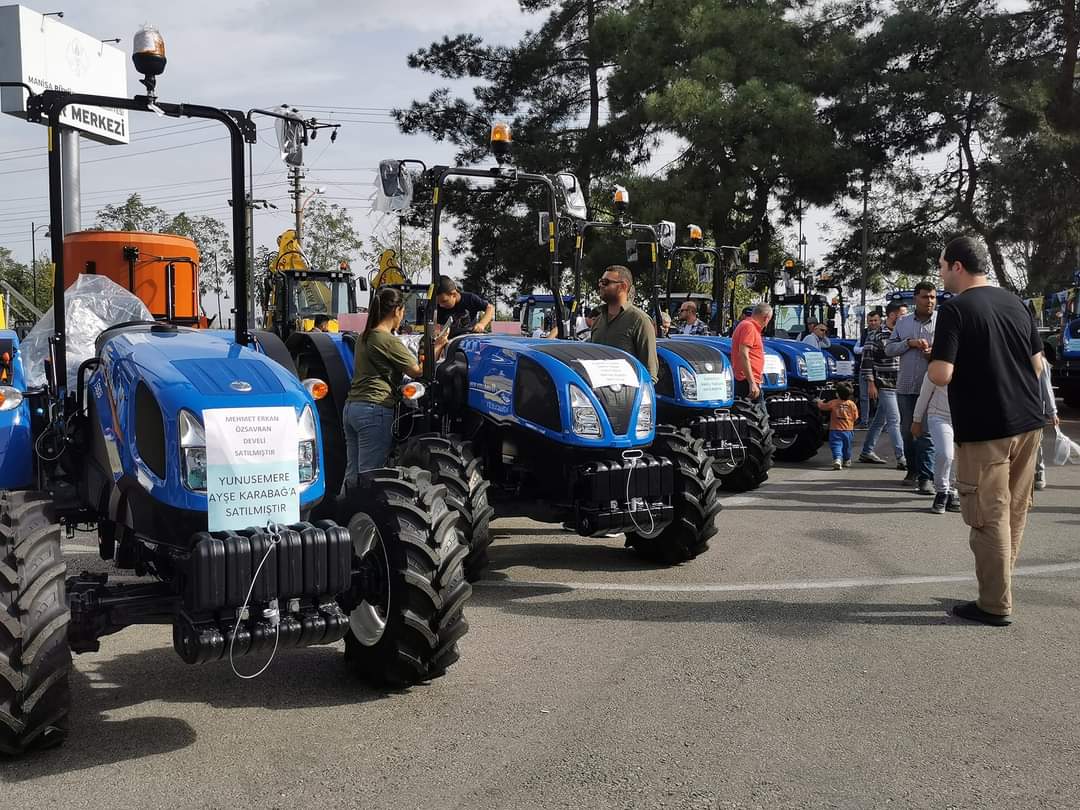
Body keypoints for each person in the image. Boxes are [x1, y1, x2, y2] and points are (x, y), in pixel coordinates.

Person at [929, 235, 1046, 626]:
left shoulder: (955, 310)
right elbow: (1038, 365)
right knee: (1013, 510)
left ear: (957, 267)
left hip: (985, 427)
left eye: (943, 266)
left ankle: (994, 604)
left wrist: (935, 355)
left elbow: (941, 374)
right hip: (1029, 421)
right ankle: (999, 588)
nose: (941, 273)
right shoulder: (1014, 302)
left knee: (986, 516)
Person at [343, 287, 448, 487]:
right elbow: (417, 371)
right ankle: (368, 516)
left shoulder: (364, 336)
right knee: (371, 475)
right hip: (374, 410)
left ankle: (347, 513)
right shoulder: (387, 340)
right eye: (402, 312)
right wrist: (439, 345)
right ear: (396, 311)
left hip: (352, 408)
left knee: (353, 472)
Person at [887, 281, 938, 494]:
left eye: (933, 297)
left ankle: (927, 476)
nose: (930, 301)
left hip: (933, 387)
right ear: (916, 298)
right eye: (926, 297)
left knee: (925, 433)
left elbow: (955, 348)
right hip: (907, 386)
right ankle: (912, 470)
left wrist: (933, 353)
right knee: (908, 431)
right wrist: (909, 343)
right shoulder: (904, 323)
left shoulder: (944, 321)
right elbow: (889, 349)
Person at [858, 302, 908, 468]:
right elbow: (866, 360)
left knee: (880, 419)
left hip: (901, 383)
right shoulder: (876, 335)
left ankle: (866, 451)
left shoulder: (904, 333)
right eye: (903, 314)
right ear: (893, 315)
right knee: (895, 420)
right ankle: (902, 457)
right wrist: (871, 383)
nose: (906, 318)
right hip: (884, 383)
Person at [590, 265, 659, 381]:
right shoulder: (598, 321)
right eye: (600, 281)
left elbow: (650, 373)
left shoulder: (640, 320)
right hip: (598, 394)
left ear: (623, 286)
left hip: (628, 396)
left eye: (605, 282)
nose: (600, 285)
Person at [910, 372, 959, 515]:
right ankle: (942, 492)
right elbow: (924, 395)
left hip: (964, 418)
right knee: (945, 454)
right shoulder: (937, 368)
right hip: (939, 416)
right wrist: (917, 420)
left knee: (958, 456)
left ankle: (952, 491)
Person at [731, 303, 773, 402]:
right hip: (746, 380)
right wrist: (752, 382)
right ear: (766, 318)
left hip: (747, 379)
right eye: (769, 320)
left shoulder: (746, 325)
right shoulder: (749, 327)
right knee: (760, 415)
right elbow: (744, 354)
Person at [817, 381, 858, 470]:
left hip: (835, 430)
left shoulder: (833, 402)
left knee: (836, 445)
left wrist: (819, 401)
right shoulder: (852, 404)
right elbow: (855, 417)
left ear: (837, 394)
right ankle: (847, 460)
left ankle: (837, 459)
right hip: (848, 430)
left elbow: (823, 406)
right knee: (847, 447)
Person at [854, 310, 882, 427]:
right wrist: (866, 348)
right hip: (865, 368)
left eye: (875, 320)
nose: (873, 323)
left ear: (880, 321)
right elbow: (856, 349)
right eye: (870, 320)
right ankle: (864, 421)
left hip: (880, 369)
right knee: (864, 396)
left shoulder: (885, 332)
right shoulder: (864, 333)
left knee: (882, 397)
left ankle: (881, 422)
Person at [1035, 361, 1059, 490]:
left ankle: (1039, 472)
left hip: (1034, 410)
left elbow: (1046, 386)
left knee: (1036, 443)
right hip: (1014, 408)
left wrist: (1052, 411)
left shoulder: (1040, 361)